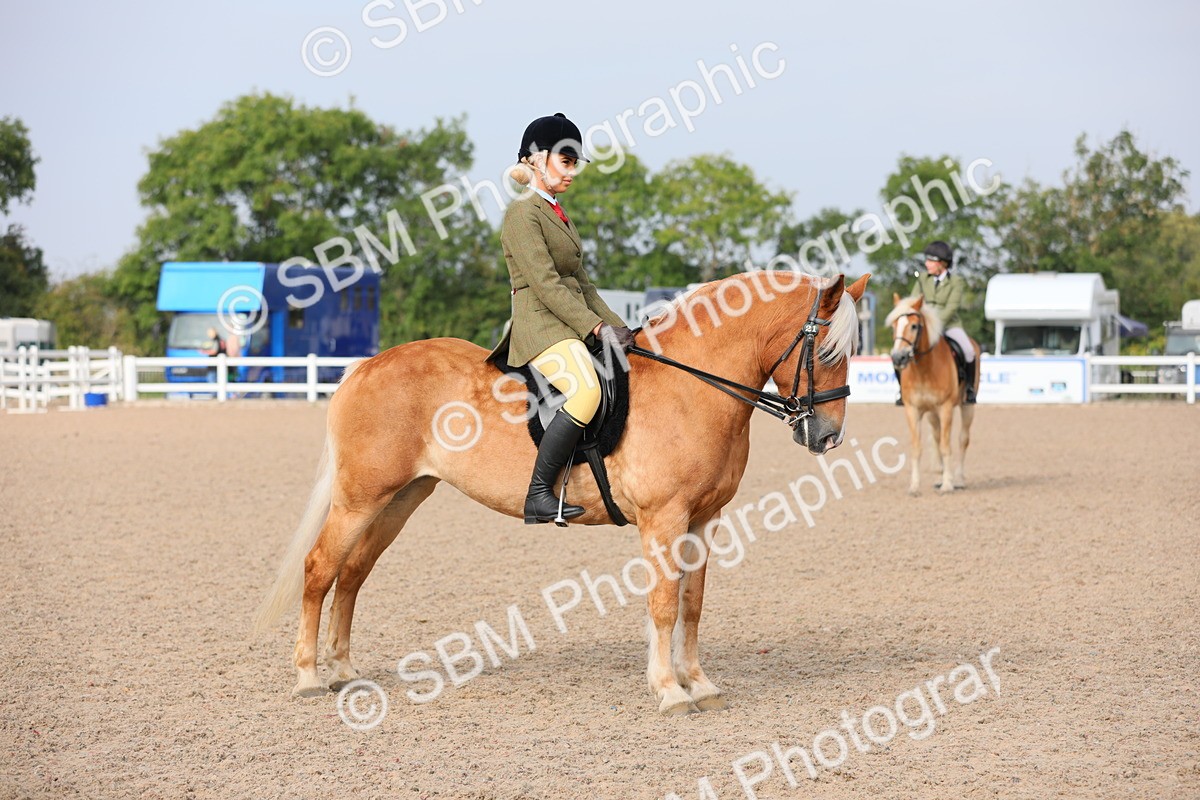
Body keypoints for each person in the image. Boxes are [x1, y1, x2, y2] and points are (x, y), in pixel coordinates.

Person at [486, 112, 634, 525]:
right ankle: (538, 493)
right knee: (586, 392)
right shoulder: (523, 214)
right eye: (565, 161)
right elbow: (548, 285)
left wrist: (621, 326)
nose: (572, 172)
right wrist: (596, 328)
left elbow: (583, 285)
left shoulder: (556, 211)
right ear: (536, 160)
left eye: (574, 164)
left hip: (567, 321)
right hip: (541, 325)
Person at [897, 240, 977, 404]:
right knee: (900, 350)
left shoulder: (956, 282)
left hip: (948, 325)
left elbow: (951, 307)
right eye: (927, 260)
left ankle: (969, 389)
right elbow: (913, 303)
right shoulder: (922, 280)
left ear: (942, 263)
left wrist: (935, 324)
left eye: (931, 260)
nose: (927, 264)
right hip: (923, 326)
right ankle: (901, 390)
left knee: (969, 351)